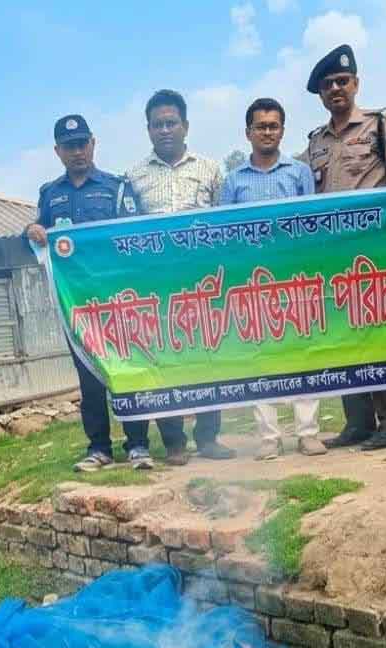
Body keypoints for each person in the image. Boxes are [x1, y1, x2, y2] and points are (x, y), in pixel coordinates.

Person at [26, 114, 163, 473]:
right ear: (57, 151)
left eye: (82, 144)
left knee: (127, 371)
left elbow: (133, 237)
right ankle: (99, 448)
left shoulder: (116, 188)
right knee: (89, 379)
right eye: (69, 146)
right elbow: (36, 239)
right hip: (77, 306)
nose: (77, 152)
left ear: (93, 144)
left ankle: (138, 445)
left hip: (117, 302)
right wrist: (33, 231)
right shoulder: (50, 194)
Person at [306, 45, 386, 452]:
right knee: (345, 337)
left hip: (375, 250)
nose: (336, 89)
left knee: (381, 335)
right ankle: (357, 422)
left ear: (356, 84)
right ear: (320, 94)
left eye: (342, 81)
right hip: (334, 255)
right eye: (328, 85)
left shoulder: (379, 124)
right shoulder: (315, 142)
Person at [127, 89, 234, 462]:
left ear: (185, 126)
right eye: (157, 124)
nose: (165, 130)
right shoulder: (134, 177)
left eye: (171, 122)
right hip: (158, 289)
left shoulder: (210, 170)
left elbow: (225, 223)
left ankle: (208, 437)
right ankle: (173, 441)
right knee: (166, 362)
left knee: (207, 359)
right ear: (148, 130)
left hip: (204, 285)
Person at [219, 98, 326, 461]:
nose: (267, 132)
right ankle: (269, 437)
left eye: (273, 126)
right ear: (248, 132)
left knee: (302, 353)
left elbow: (312, 224)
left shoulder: (299, 173)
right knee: (260, 357)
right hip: (252, 281)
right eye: (260, 126)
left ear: (282, 130)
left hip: (294, 277)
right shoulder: (233, 181)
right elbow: (225, 233)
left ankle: (308, 433)